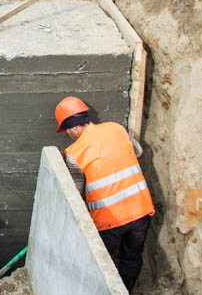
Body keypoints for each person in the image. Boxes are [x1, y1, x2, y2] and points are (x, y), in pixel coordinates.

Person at [55, 96, 155, 291]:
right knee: (132, 258)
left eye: (67, 131)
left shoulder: (74, 153)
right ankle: (127, 290)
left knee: (100, 265)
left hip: (108, 221)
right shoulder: (116, 129)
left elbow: (76, 192)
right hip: (140, 211)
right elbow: (138, 151)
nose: (68, 135)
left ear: (74, 128)